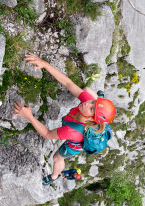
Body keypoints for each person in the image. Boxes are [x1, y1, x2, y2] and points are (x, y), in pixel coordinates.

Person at [12, 53, 115, 184]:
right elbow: (68, 83)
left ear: (91, 119)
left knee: (57, 158)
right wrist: (44, 64)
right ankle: (100, 99)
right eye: (93, 103)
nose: (88, 103)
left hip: (76, 143)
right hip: (86, 126)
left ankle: (54, 177)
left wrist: (29, 116)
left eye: (92, 108)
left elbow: (48, 134)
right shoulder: (88, 103)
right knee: (87, 90)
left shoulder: (70, 131)